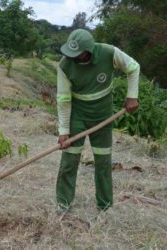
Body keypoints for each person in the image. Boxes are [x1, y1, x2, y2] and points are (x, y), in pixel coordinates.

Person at [56, 29, 140, 211]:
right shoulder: (64, 66)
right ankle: (63, 204)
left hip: (103, 117)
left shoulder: (109, 52)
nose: (73, 58)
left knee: (103, 161)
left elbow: (133, 67)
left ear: (89, 51)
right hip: (77, 117)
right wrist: (64, 131)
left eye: (77, 54)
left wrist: (132, 96)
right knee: (69, 160)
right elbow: (63, 100)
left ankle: (105, 205)